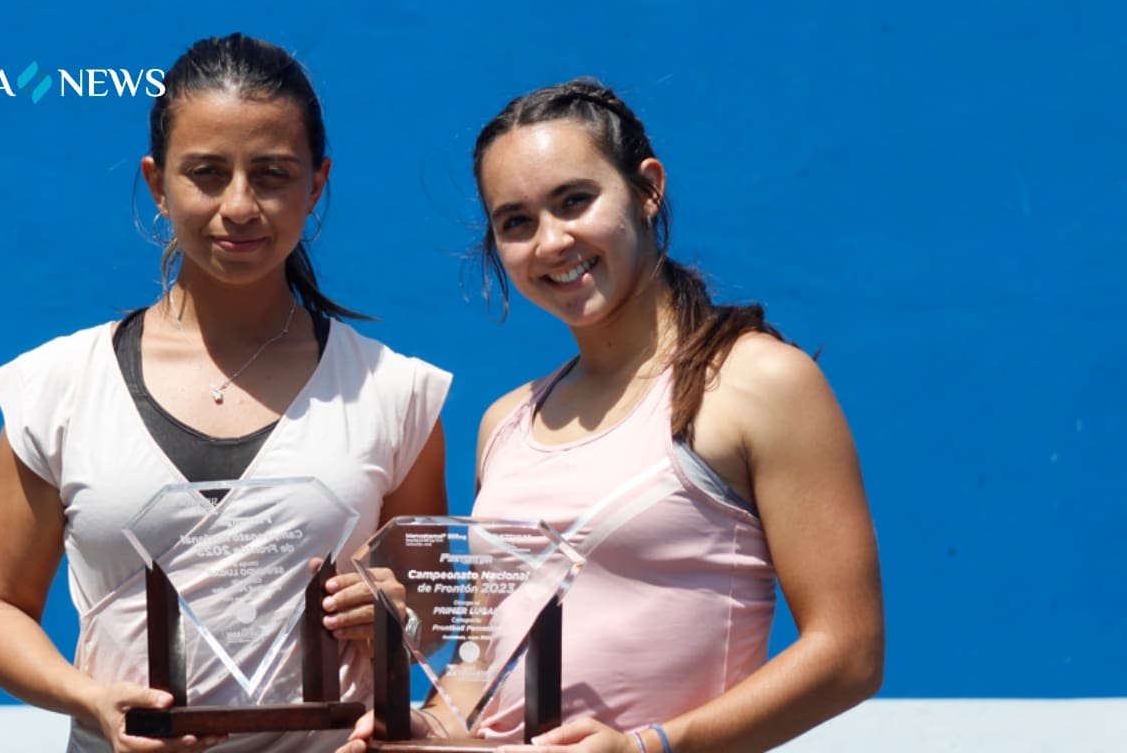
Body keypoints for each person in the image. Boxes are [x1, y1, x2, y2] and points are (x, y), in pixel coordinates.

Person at [339, 79, 882, 753]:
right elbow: (481, 662)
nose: (551, 241)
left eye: (575, 201)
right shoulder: (506, 421)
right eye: (516, 222)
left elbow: (848, 653)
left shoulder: (759, 381)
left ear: (648, 188)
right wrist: (431, 728)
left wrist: (650, 747)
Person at [0, 33, 451, 753]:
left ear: (317, 183)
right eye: (207, 173)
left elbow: (428, 616)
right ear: (157, 183)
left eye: (272, 174)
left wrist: (392, 616)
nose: (241, 205)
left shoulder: (395, 392)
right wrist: (92, 700)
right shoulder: (58, 387)